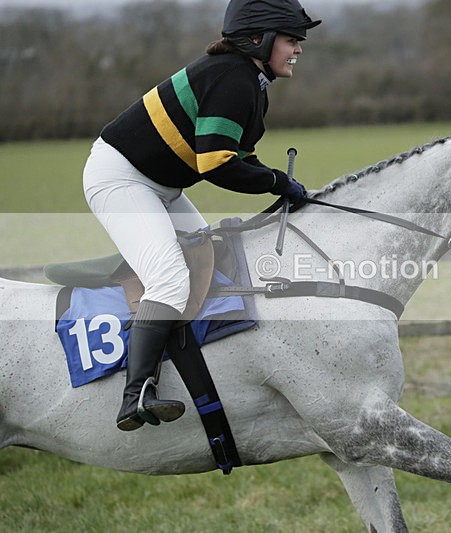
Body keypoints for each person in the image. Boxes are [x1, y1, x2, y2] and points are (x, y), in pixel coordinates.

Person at [82, 0, 321, 431]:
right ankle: (134, 396)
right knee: (170, 279)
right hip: (122, 179)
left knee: (206, 263)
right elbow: (217, 165)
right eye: (291, 40)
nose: (298, 50)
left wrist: (274, 183)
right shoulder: (234, 79)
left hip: (163, 185)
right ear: (259, 40)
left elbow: (240, 156)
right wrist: (276, 183)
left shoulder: (249, 82)